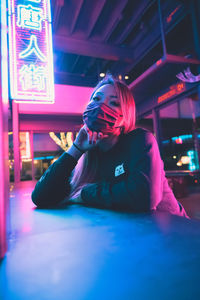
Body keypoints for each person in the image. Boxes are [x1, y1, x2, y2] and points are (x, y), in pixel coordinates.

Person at [32, 75, 188, 218]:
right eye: (96, 99)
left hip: (174, 232)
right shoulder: (89, 156)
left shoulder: (141, 140)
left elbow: (145, 197)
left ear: (125, 116)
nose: (100, 107)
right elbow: (40, 197)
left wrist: (86, 193)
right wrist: (76, 148)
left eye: (113, 103)